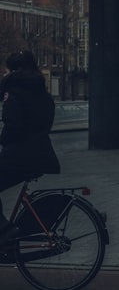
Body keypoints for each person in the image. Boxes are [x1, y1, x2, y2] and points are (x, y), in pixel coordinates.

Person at [0, 50, 60, 241]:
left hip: (21, 156)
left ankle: (5, 231)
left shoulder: (14, 92)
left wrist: (3, 140)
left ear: (15, 70)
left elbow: (13, 126)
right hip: (41, 154)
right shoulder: (43, 93)